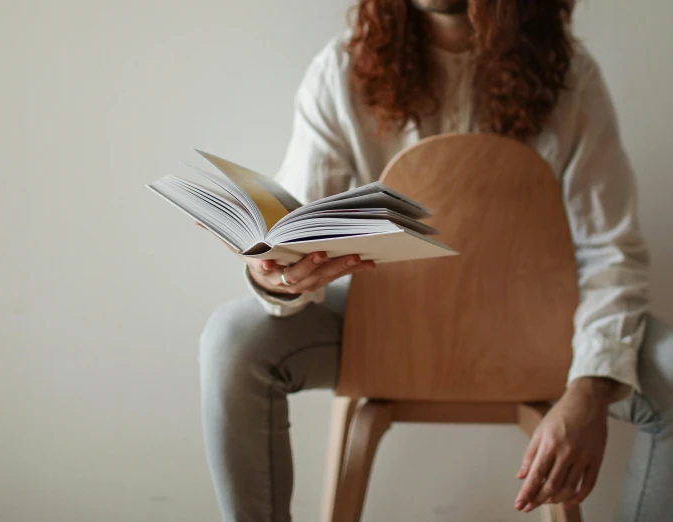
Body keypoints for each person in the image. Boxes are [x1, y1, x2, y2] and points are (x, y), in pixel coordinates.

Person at [198, 1, 673, 521]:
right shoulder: (342, 70)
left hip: (540, 333)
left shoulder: (570, 78)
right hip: (381, 330)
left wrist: (589, 390)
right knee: (233, 340)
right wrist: (278, 274)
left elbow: (611, 252)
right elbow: (300, 228)